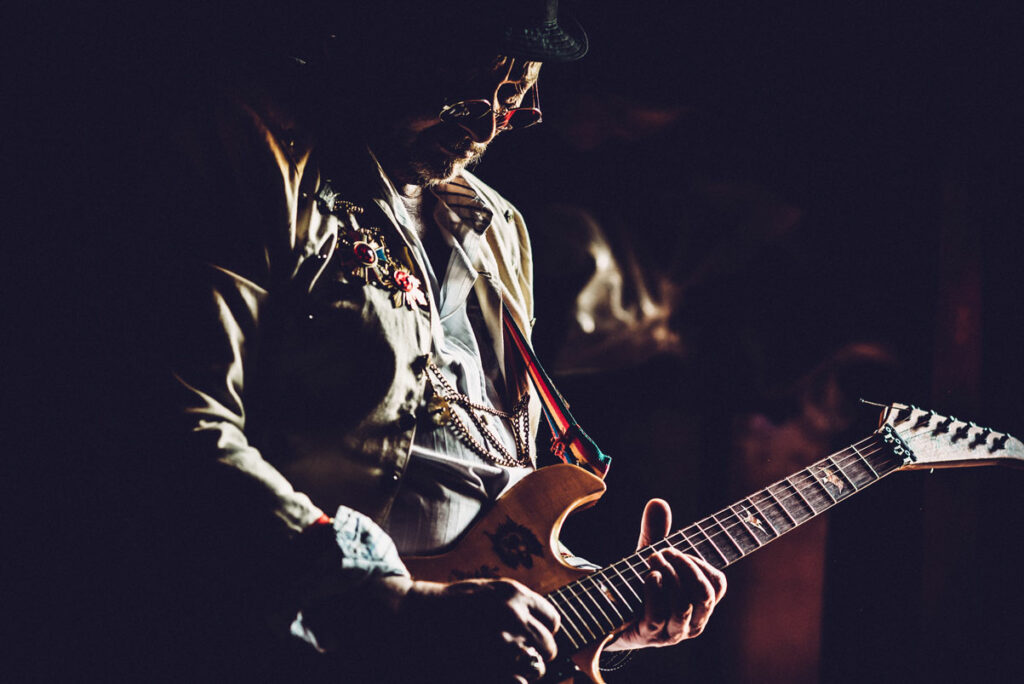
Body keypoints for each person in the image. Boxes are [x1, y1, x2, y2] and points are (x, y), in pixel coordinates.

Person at [147, 1, 726, 681]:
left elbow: (492, 508)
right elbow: (176, 423)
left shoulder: (499, 228)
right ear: (390, 38)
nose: (515, 114)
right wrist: (388, 599)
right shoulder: (254, 158)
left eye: (517, 90)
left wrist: (599, 619)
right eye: (483, 86)